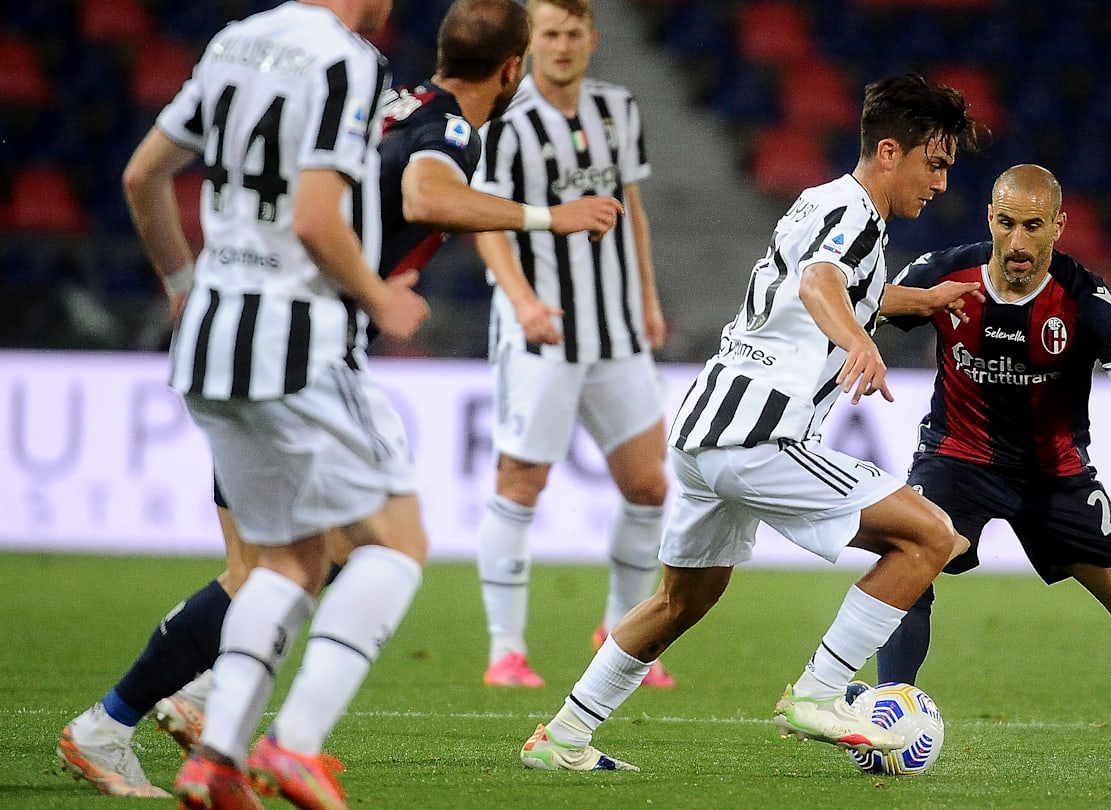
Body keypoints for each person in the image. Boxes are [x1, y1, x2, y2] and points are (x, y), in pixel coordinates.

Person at [56, 0, 626, 800]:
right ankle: (264, 739)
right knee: (386, 546)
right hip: (297, 339)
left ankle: (164, 727)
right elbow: (401, 199)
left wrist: (185, 286)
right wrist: (386, 289)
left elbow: (141, 173)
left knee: (278, 566)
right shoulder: (366, 72)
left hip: (214, 332)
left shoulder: (241, 43)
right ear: (510, 70)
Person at [517, 73, 986, 772]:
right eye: (936, 163)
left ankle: (564, 736)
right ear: (890, 152)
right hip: (761, 435)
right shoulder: (854, 216)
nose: (941, 183)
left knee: (681, 598)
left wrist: (916, 299)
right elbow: (818, 283)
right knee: (931, 538)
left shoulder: (821, 204)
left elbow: (836, 285)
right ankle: (820, 693)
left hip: (704, 433)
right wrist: (859, 343)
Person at [874, 163, 1111, 756]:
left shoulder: (1086, 300)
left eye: (1033, 226)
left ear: (1059, 226)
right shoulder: (946, 275)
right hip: (957, 460)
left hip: (1058, 477)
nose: (1017, 243)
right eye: (1007, 223)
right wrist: (857, 343)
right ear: (991, 218)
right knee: (912, 555)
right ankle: (888, 717)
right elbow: (865, 302)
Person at [470, 0, 675, 689]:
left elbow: (633, 211)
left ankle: (622, 635)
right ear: (529, 44)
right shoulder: (502, 119)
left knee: (648, 485)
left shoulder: (617, 108)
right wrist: (523, 301)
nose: (560, 46)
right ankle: (505, 650)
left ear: (592, 38)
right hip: (542, 333)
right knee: (521, 481)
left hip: (616, 331)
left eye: (571, 34)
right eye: (547, 34)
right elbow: (485, 223)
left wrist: (647, 298)